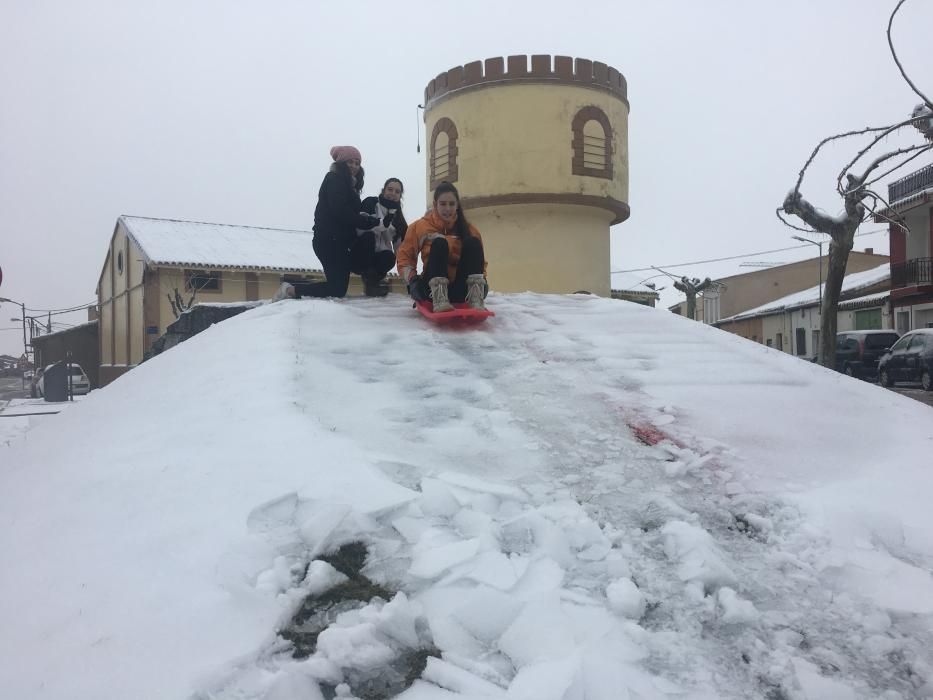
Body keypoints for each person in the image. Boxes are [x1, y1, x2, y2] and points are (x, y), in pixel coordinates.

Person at [273, 146, 381, 300]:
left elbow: (349, 213)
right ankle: (290, 290)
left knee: (339, 286)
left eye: (357, 163)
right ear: (341, 163)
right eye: (350, 162)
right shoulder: (334, 179)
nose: (354, 166)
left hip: (341, 243)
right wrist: (366, 221)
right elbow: (340, 211)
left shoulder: (350, 185)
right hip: (328, 241)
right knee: (337, 289)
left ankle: (367, 276)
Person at [396, 181, 488, 312]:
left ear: (457, 205)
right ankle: (440, 299)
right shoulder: (420, 227)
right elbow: (405, 257)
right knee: (440, 243)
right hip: (431, 290)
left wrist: (482, 278)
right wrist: (413, 279)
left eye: (451, 204)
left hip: (461, 290)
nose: (448, 208)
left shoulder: (469, 230)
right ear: (435, 205)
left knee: (473, 242)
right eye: (443, 204)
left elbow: (480, 262)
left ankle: (475, 298)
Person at [354, 178, 409, 297]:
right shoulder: (370, 202)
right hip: (360, 252)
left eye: (397, 191)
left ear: (400, 196)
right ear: (384, 190)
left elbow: (401, 249)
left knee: (389, 257)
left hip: (379, 257)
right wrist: (383, 224)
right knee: (368, 237)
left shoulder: (399, 219)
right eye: (390, 189)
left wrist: (408, 276)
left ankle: (373, 283)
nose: (393, 193)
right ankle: (370, 279)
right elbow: (360, 227)